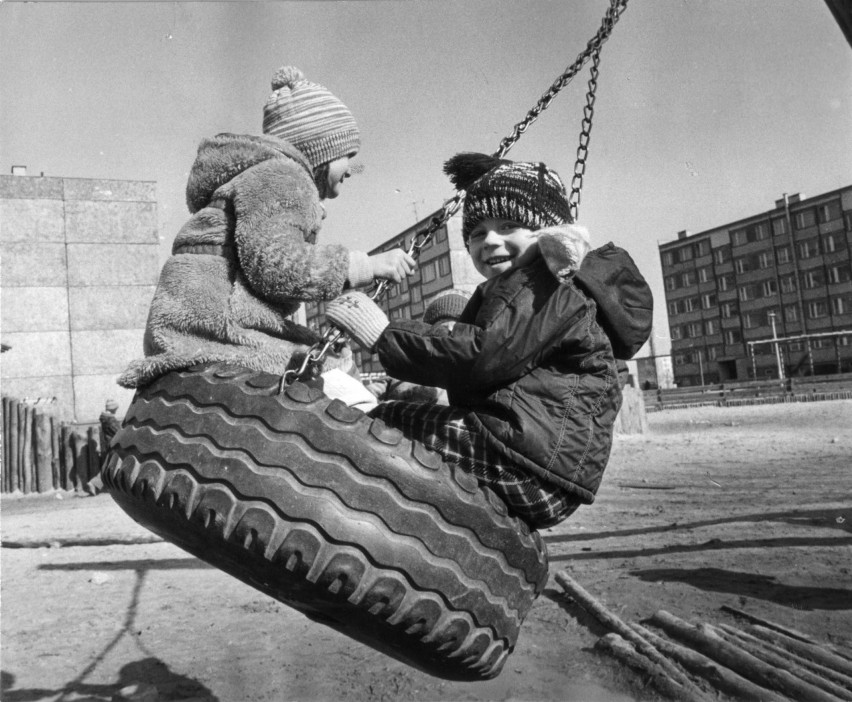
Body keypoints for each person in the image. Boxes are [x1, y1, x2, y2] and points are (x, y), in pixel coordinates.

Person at [324, 152, 652, 529]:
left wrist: (383, 335)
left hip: (523, 461)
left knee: (382, 421)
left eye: (509, 226)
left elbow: (479, 355)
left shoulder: (544, 287)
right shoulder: (523, 288)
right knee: (407, 437)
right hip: (541, 468)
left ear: (549, 235)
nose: (490, 242)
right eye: (477, 233)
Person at [118, 65, 414, 389]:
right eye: (348, 155)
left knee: (327, 357)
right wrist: (363, 265)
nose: (352, 169)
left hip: (188, 324)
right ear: (320, 152)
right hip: (219, 329)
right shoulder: (286, 178)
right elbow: (275, 264)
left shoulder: (262, 177)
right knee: (335, 376)